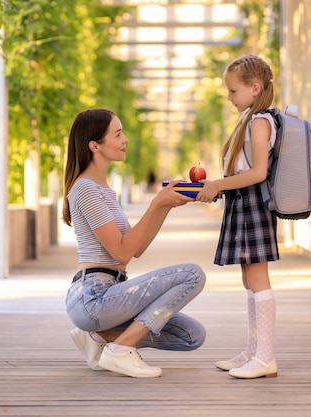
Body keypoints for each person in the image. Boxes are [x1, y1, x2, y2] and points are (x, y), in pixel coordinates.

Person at [62, 108, 207, 378]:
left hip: (114, 291)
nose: (125, 139)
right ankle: (120, 350)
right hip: (93, 296)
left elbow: (136, 248)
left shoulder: (103, 189)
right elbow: (122, 251)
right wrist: (156, 203)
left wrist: (166, 205)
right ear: (94, 145)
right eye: (118, 134)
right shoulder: (84, 189)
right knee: (192, 275)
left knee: (191, 336)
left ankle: (100, 338)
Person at [196, 55, 279, 379]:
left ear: (254, 88)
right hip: (243, 203)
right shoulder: (251, 119)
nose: (229, 97)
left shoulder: (260, 121)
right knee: (249, 279)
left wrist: (218, 184)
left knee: (258, 279)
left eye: (233, 91)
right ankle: (254, 351)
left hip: (253, 204)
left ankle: (266, 357)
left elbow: (258, 172)